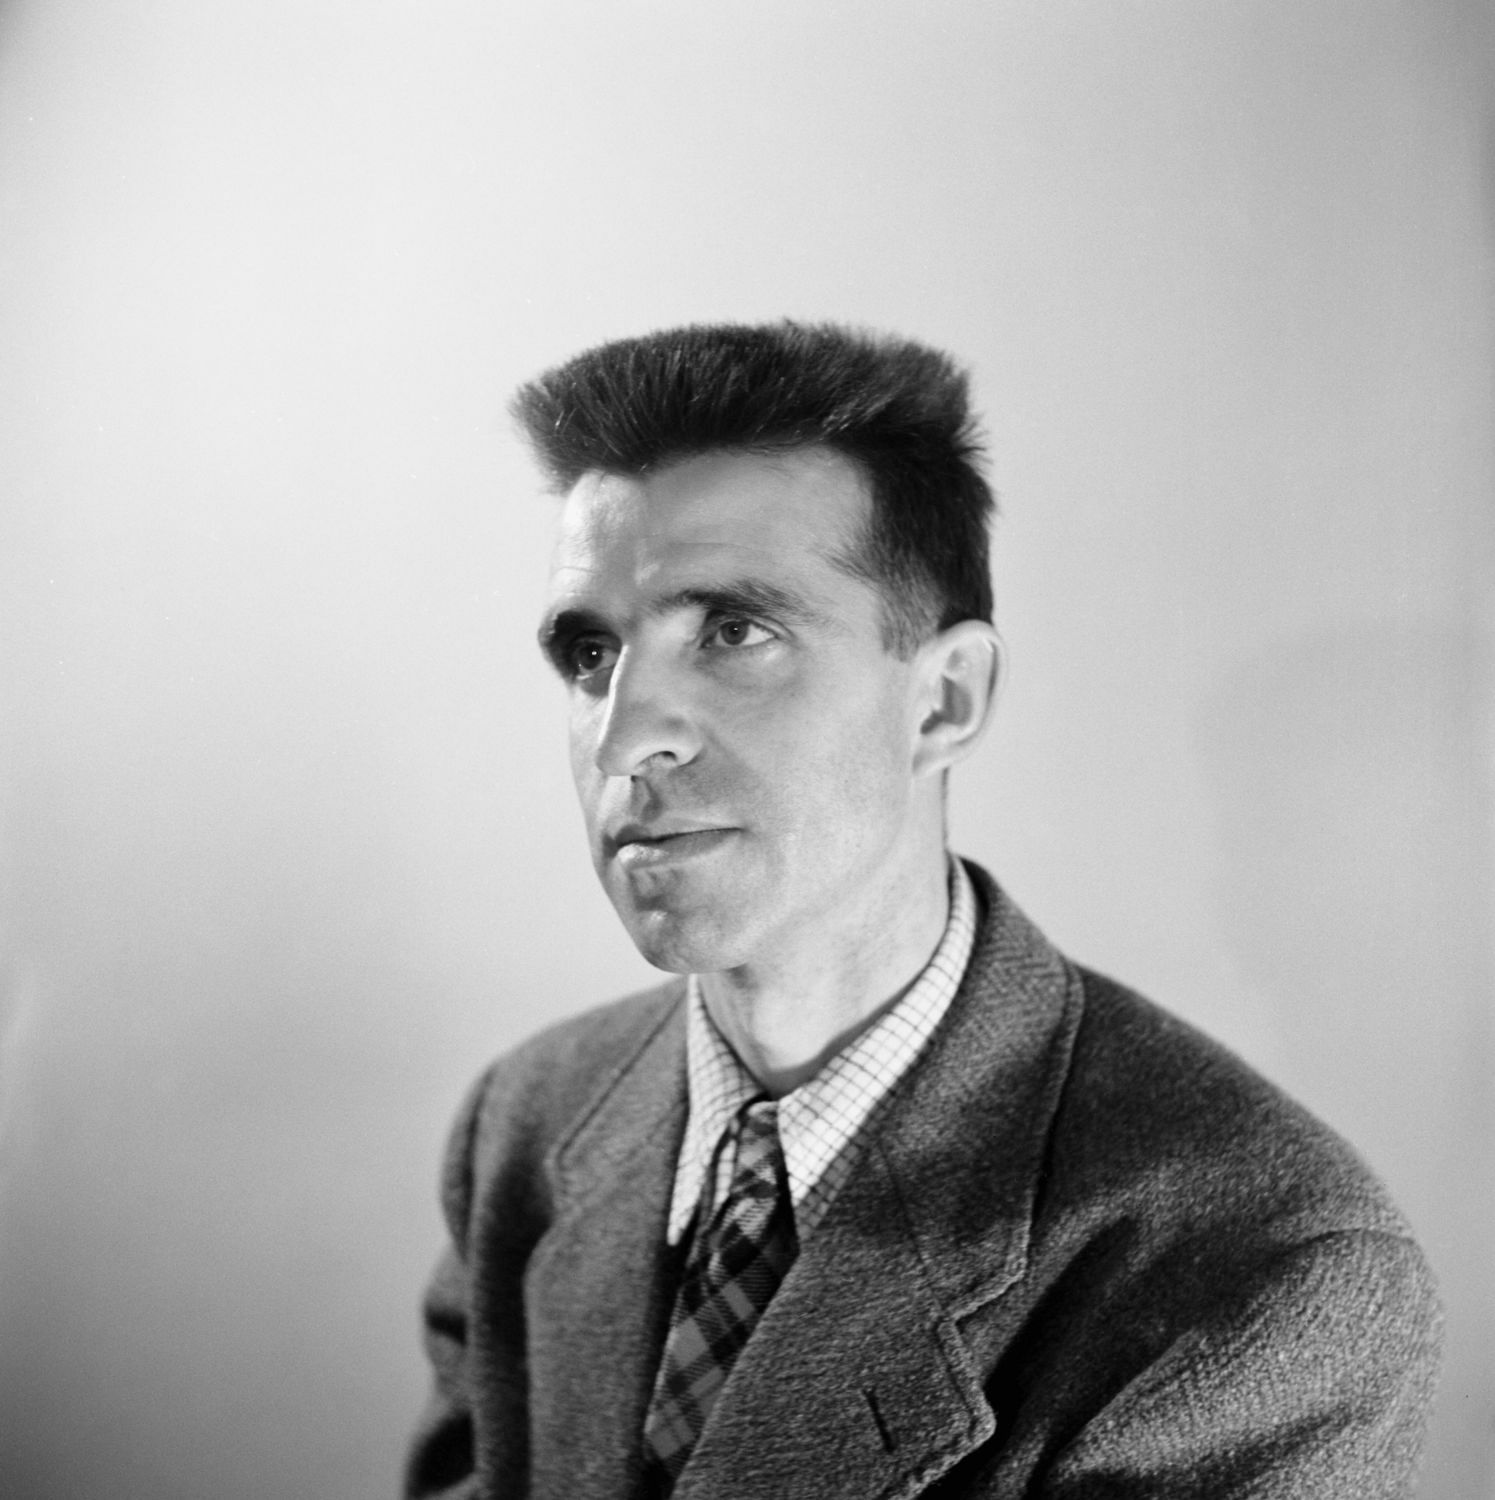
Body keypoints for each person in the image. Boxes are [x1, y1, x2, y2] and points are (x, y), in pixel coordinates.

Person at [405, 322, 1441, 1500]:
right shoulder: (525, 1125)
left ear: (943, 699)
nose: (622, 735)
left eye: (734, 632)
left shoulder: (1263, 1271)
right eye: (591, 653)